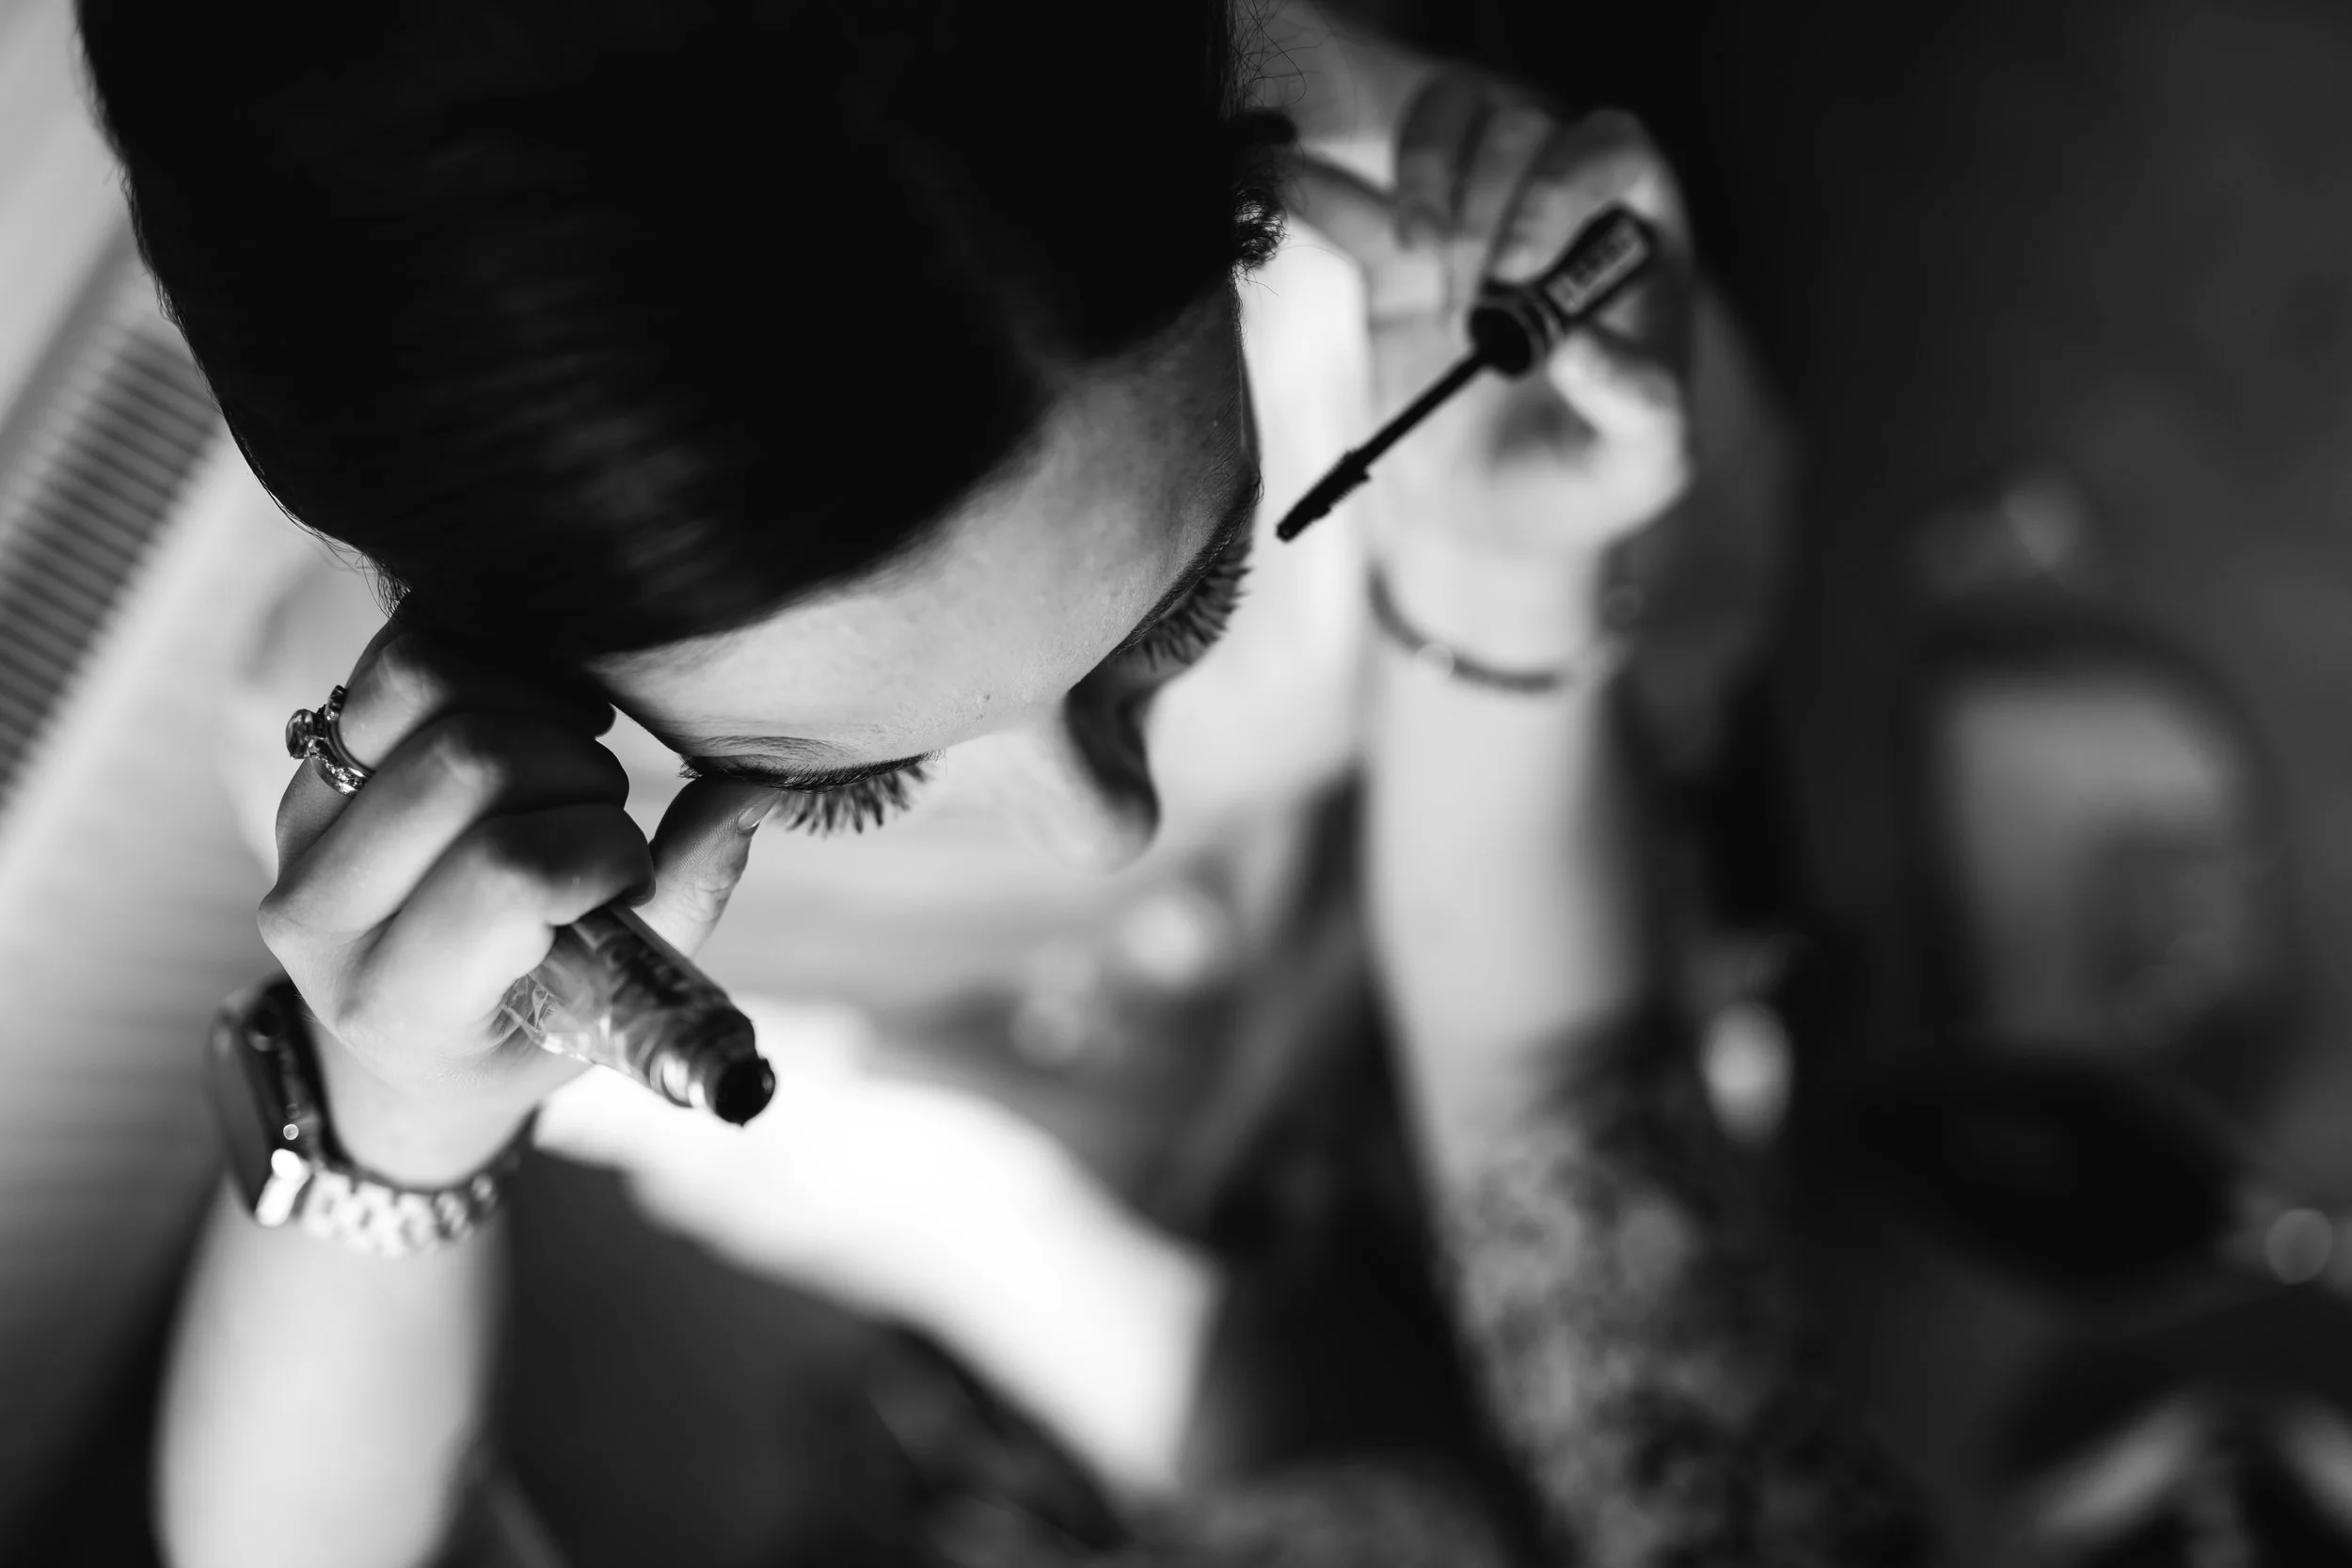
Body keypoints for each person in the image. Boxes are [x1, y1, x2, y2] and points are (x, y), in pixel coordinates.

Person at [77, 1, 1922, 1562]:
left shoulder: (1403, 322)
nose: (1098, 822)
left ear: (1249, 201)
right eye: (839, 783)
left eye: (1194, 597)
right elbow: (1572, 1138)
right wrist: (391, 1114)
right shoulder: (442, 866)